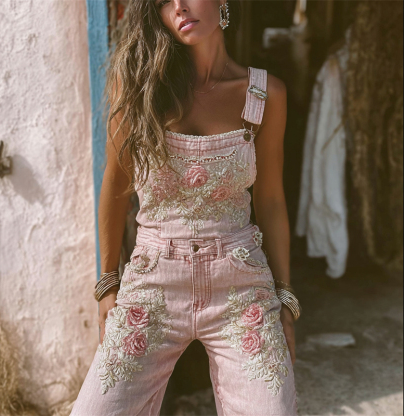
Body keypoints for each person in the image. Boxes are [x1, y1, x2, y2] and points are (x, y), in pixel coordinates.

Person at [71, 0, 300, 414]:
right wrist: (107, 284)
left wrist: (284, 296)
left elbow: (270, 199)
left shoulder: (265, 94)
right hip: (153, 280)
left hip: (241, 286)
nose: (178, 7)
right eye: (163, 1)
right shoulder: (139, 86)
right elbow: (116, 184)